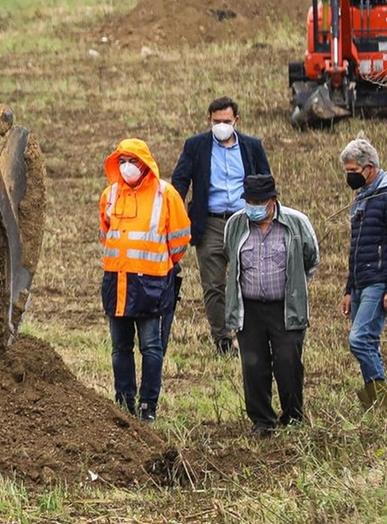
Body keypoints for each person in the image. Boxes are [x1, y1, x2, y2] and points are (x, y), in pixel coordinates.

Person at [169, 97, 272, 355]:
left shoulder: (252, 146)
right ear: (209, 121)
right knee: (214, 285)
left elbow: (267, 182)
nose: (222, 126)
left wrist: (268, 217)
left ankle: (250, 334)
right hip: (210, 223)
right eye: (217, 122)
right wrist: (171, 212)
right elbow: (180, 182)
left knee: (250, 281)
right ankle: (223, 340)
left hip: (244, 222)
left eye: (226, 121)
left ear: (236, 120)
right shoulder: (196, 146)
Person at [102, 138, 191, 423]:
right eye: (122, 161)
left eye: (133, 161)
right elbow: (107, 234)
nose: (127, 167)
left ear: (145, 163)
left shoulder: (166, 194)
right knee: (120, 348)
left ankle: (148, 406)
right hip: (117, 282)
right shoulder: (110, 194)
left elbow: (179, 242)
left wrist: (155, 265)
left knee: (152, 348)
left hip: (152, 285)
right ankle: (124, 402)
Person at [224, 174, 319, 434]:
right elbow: (229, 255)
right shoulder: (235, 224)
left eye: (259, 201)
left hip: (285, 307)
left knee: (288, 363)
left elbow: (310, 258)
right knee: (254, 365)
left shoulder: (296, 223)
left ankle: (293, 417)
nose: (253, 206)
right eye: (249, 201)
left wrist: (296, 285)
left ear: (273, 200)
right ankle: (262, 420)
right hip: (250, 309)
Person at [340, 136, 387, 410]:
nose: (349, 177)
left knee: (359, 340)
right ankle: (376, 405)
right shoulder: (364, 196)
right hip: (362, 281)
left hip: (379, 281)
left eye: (353, 172)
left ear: (369, 167)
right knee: (367, 342)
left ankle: (385, 403)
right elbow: (357, 247)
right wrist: (349, 288)